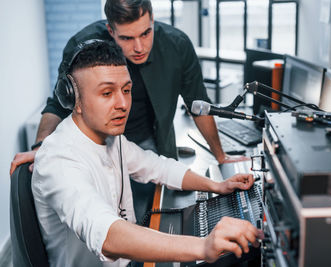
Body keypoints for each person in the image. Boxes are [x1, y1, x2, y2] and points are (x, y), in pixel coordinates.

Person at [32, 39, 261, 267]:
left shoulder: (113, 138)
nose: (122, 103)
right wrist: (202, 246)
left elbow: (157, 167)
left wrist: (216, 186)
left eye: (126, 90)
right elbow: (107, 236)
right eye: (107, 93)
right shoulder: (58, 160)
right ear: (76, 101)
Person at [10, 0, 246, 176]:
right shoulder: (82, 47)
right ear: (110, 31)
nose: (139, 47)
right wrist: (41, 147)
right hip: (98, 150)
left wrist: (220, 156)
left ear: (152, 18)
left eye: (146, 33)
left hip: (152, 144)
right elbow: (58, 104)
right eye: (127, 38)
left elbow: (198, 105)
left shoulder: (177, 45)